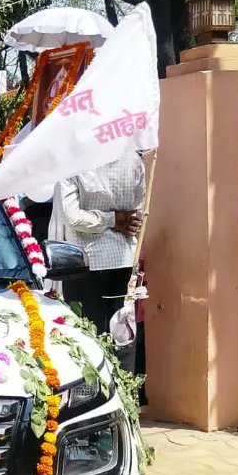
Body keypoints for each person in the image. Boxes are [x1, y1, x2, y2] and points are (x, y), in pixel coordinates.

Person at [51, 153, 145, 369]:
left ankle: (94, 398)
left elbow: (72, 218)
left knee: (88, 338)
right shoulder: (134, 160)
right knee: (124, 337)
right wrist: (119, 219)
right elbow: (138, 210)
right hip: (123, 260)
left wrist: (111, 219)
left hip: (87, 262)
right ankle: (125, 398)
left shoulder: (73, 161)